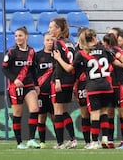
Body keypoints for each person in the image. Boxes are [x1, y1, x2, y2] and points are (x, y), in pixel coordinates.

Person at [53, 28, 123, 149]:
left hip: (93, 87)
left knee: (94, 114)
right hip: (107, 86)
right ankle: (105, 139)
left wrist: (59, 59)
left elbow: (69, 69)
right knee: (104, 113)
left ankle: (94, 141)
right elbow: (117, 63)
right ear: (94, 37)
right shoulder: (104, 49)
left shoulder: (82, 53)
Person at [2, 26, 40, 149]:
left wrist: (37, 84)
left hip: (29, 85)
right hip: (15, 87)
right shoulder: (12, 52)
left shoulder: (32, 52)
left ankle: (31, 139)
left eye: (20, 35)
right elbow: (4, 68)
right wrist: (15, 79)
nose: (18, 38)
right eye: (16, 36)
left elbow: (33, 69)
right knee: (18, 114)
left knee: (34, 109)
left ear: (26, 37)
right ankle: (19, 142)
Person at [48, 17, 77, 149]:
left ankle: (60, 143)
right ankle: (72, 139)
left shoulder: (58, 43)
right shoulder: (69, 42)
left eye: (51, 27)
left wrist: (57, 79)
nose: (49, 29)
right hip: (70, 79)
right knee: (64, 111)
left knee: (58, 112)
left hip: (61, 79)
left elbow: (58, 63)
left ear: (58, 29)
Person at [34, 33, 55, 149]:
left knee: (55, 117)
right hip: (41, 91)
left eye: (52, 40)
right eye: (47, 40)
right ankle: (42, 142)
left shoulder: (57, 55)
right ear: (43, 42)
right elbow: (33, 73)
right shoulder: (38, 56)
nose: (50, 42)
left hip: (53, 92)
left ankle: (59, 140)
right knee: (41, 117)